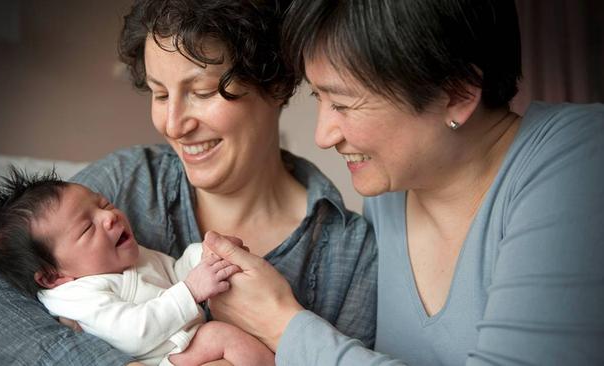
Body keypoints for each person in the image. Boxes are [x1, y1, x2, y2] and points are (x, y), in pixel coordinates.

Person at [0, 0, 377, 364]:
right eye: (159, 94)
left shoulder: (348, 250)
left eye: (204, 91)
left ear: (277, 84)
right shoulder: (131, 178)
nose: (173, 125)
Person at [204, 0, 604, 365]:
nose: (323, 135)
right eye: (319, 99)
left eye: (343, 103)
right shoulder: (391, 195)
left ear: (458, 92)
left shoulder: (581, 160)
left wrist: (281, 323)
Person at [0, 167, 274, 366]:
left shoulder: (128, 257)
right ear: (53, 276)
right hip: (159, 359)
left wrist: (206, 256)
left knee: (232, 329)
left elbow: (175, 274)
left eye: (103, 204)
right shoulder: (79, 295)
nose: (108, 218)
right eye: (87, 229)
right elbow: (133, 333)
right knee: (221, 335)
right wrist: (191, 290)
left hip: (185, 345)